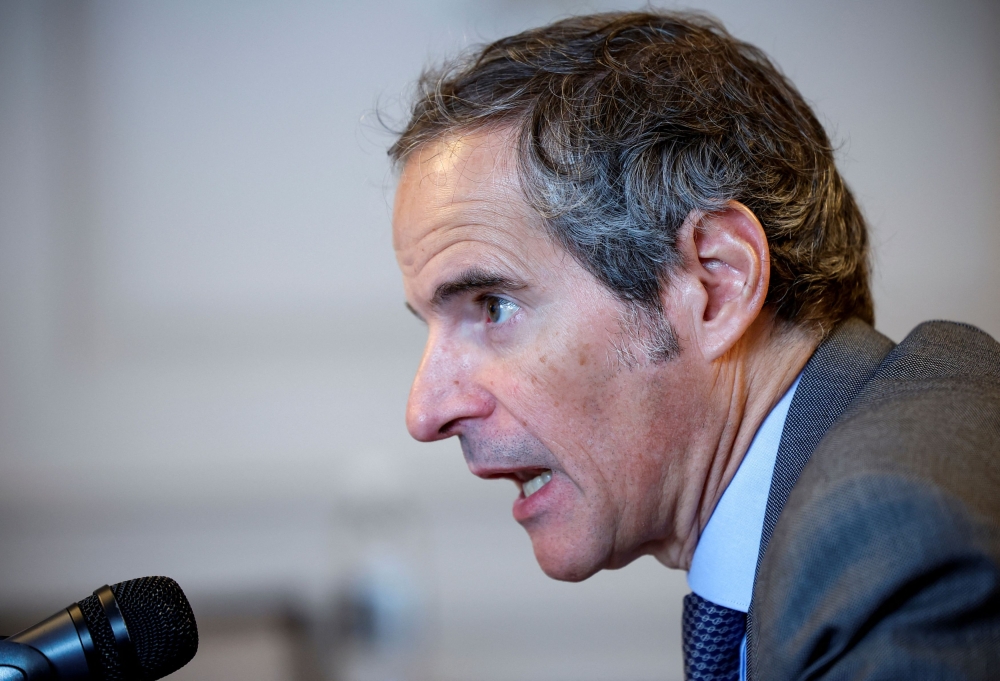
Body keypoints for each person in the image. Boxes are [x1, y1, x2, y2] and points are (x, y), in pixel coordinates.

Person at [387, 11, 1000, 680]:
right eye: (428, 324)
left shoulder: (898, 542)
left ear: (716, 282)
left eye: (494, 306)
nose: (425, 411)